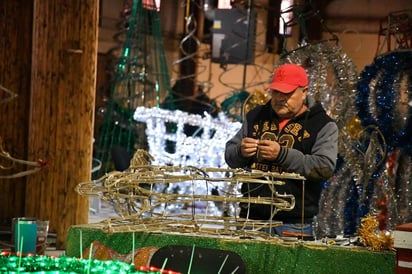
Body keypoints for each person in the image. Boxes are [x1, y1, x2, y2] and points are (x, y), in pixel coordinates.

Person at [224, 63, 338, 237]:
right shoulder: (256, 116)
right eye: (276, 92)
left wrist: (282, 155)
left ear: (304, 92)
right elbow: (230, 156)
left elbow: (324, 167)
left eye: (287, 93)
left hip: (293, 223)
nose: (279, 98)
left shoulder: (323, 125)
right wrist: (241, 151)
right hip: (251, 219)